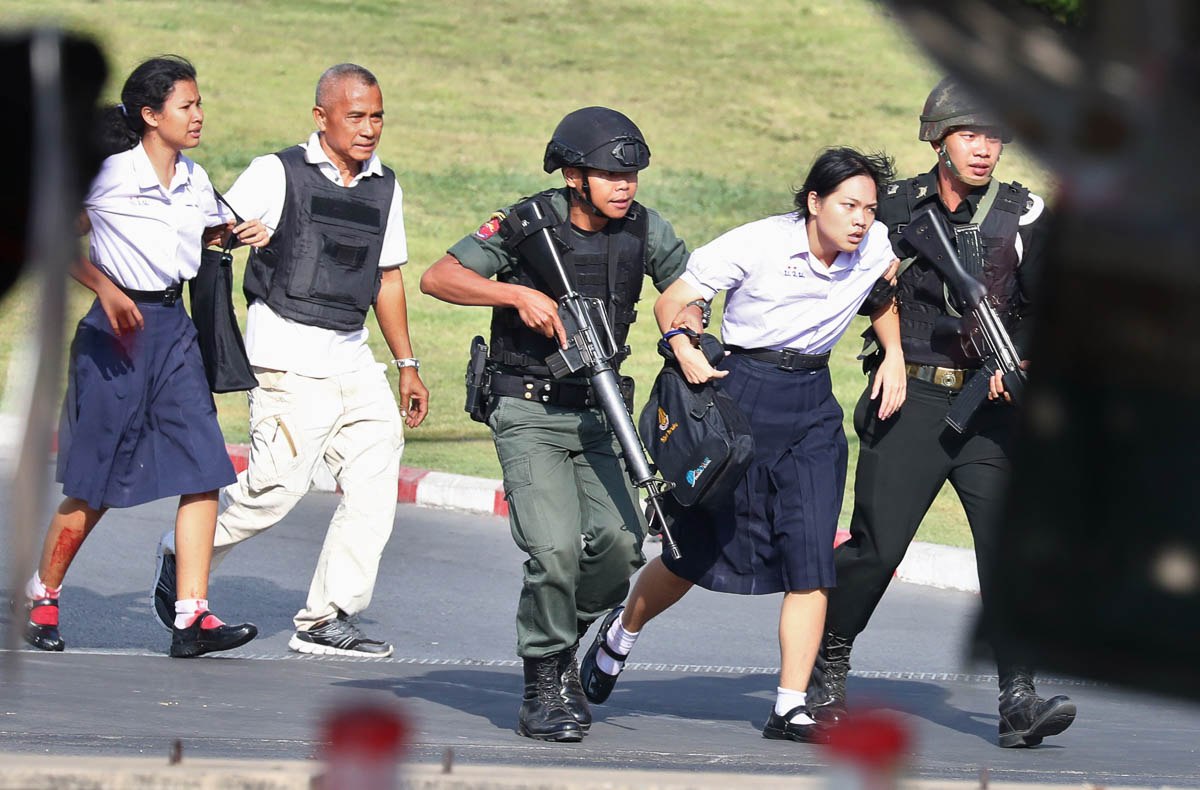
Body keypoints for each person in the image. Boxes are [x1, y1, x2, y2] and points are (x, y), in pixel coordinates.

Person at [575, 147, 906, 743]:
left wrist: (897, 356)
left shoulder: (876, 244)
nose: (860, 219)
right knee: (690, 555)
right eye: (848, 205)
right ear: (814, 202)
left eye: (869, 207)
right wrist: (682, 345)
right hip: (738, 397)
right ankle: (620, 634)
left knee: (812, 557)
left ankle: (788, 705)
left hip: (812, 406)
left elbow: (881, 297)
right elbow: (673, 299)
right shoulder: (756, 243)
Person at [805, 78, 1077, 749]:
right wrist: (892, 353)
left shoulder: (1027, 215)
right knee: (878, 548)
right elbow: (858, 283)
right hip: (914, 396)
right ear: (937, 137)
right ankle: (825, 668)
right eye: (969, 134)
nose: (984, 149)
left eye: (994, 137)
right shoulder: (892, 209)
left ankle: (1018, 698)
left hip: (993, 405)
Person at [420, 107, 696, 743]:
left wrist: (685, 323)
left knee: (623, 544)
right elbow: (441, 276)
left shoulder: (645, 230)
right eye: (609, 175)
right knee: (553, 552)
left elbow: (683, 285)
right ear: (573, 175)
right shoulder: (526, 223)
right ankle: (546, 680)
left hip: (603, 411)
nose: (626, 186)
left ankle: (558, 644)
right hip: (529, 408)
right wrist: (517, 295)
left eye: (633, 176)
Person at [151, 63, 428, 659]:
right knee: (273, 492)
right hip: (285, 357)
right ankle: (185, 552)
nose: (369, 128)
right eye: (355, 116)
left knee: (375, 485)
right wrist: (228, 233)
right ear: (320, 117)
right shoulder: (275, 173)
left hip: (354, 359)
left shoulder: (385, 185)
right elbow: (203, 234)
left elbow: (387, 276)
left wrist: (406, 362)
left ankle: (328, 617)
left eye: (377, 115)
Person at [22, 55, 265, 658]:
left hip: (174, 330)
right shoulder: (108, 173)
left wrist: (234, 235)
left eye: (200, 103)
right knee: (94, 481)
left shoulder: (196, 179)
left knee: (205, 469)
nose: (199, 115)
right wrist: (104, 287)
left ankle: (192, 618)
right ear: (151, 115)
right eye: (187, 105)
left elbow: (204, 234)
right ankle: (42, 595)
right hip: (114, 333)